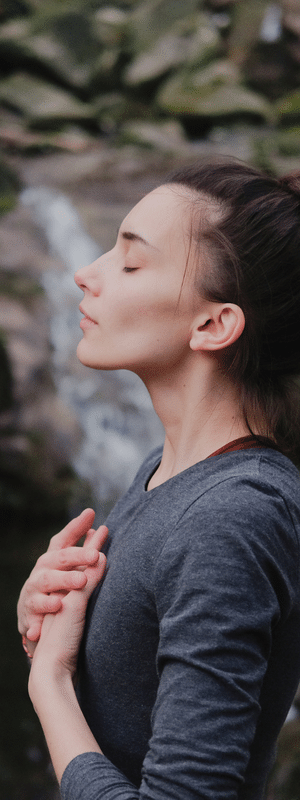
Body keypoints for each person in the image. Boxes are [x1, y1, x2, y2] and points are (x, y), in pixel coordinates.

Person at [17, 159, 300, 800]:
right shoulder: (166, 472)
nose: (85, 274)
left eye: (130, 262)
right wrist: (54, 629)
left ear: (213, 324)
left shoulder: (234, 516)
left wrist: (51, 689)